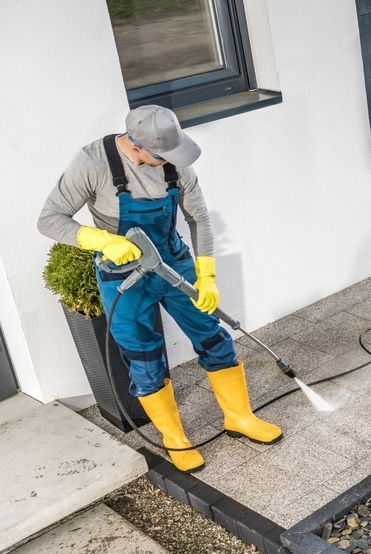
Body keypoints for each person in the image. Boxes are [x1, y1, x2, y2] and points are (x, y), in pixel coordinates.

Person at [38, 105, 282, 472]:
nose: (171, 160)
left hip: (174, 262)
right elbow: (49, 219)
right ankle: (175, 439)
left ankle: (239, 418)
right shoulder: (91, 163)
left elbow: (198, 218)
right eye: (160, 156)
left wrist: (208, 274)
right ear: (135, 146)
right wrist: (99, 239)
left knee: (213, 337)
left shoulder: (176, 158)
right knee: (144, 359)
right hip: (124, 277)